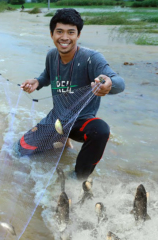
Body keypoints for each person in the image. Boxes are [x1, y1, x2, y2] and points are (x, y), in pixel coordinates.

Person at [19, 8, 125, 180]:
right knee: (21, 151)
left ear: (78, 35)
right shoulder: (52, 55)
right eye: (59, 32)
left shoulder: (92, 58)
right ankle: (63, 140)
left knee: (100, 130)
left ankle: (78, 179)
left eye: (71, 32)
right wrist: (37, 82)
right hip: (57, 120)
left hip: (80, 121)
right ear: (52, 34)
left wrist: (109, 83)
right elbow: (48, 75)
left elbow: (119, 82)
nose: (65, 38)